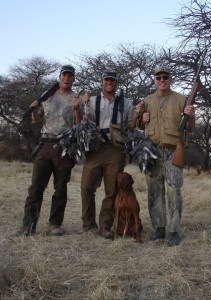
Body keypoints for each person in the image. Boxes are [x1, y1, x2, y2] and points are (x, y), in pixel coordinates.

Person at [15, 65, 84, 236]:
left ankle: (55, 224)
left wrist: (76, 110)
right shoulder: (47, 96)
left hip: (64, 147)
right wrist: (34, 110)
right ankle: (28, 226)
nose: (67, 78)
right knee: (35, 188)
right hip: (45, 145)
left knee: (60, 189)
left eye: (70, 76)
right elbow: (38, 120)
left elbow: (79, 124)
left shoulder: (77, 99)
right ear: (60, 77)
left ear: (73, 79)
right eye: (64, 75)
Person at [136, 66, 195, 247]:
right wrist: (141, 119)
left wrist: (190, 116)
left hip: (172, 151)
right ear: (154, 80)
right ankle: (159, 228)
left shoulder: (181, 100)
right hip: (151, 152)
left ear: (171, 80)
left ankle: (174, 231)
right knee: (154, 192)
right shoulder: (147, 100)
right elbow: (139, 126)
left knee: (174, 191)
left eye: (165, 77)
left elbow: (190, 128)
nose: (162, 80)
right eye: (158, 77)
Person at [80, 70, 137, 239]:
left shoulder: (126, 103)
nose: (109, 82)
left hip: (115, 150)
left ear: (116, 83)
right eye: (106, 80)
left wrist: (140, 114)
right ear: (101, 82)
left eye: (112, 80)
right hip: (95, 149)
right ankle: (88, 224)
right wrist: (82, 105)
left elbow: (132, 126)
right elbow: (85, 121)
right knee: (86, 188)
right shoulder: (92, 100)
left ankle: (105, 226)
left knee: (112, 190)